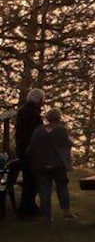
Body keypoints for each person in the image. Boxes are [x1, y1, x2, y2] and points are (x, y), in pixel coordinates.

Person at [27, 108, 75, 222]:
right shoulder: (61, 131)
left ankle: (47, 216)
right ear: (58, 118)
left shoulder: (39, 130)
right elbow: (68, 143)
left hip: (41, 165)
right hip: (57, 165)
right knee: (62, 188)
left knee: (44, 191)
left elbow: (32, 147)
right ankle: (66, 213)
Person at [15, 88, 45, 218]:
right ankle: (26, 209)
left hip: (23, 150)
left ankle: (29, 207)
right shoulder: (33, 114)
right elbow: (36, 134)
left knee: (29, 180)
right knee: (32, 181)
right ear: (39, 100)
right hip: (30, 152)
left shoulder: (23, 111)